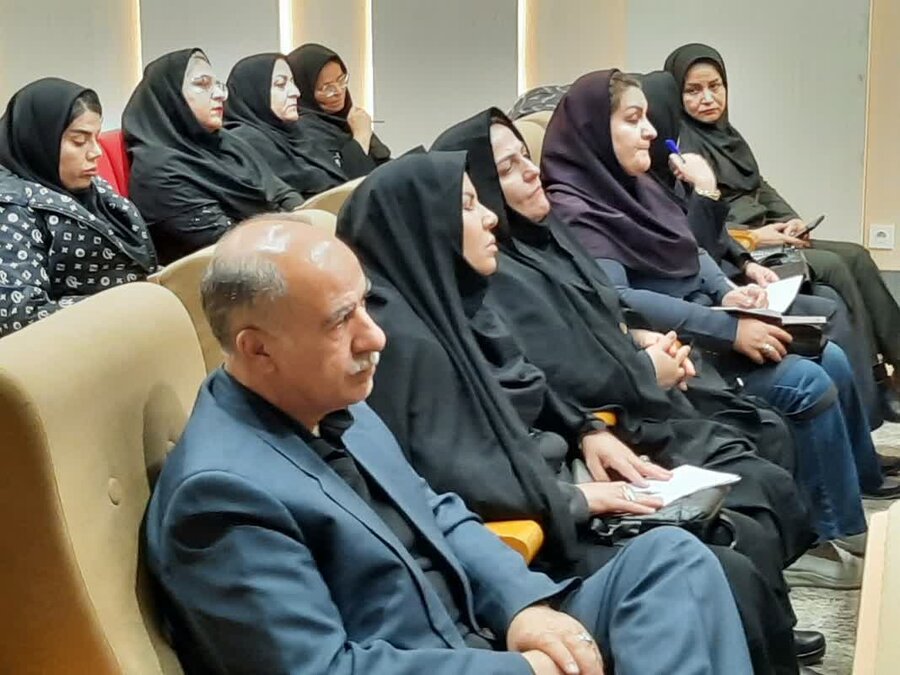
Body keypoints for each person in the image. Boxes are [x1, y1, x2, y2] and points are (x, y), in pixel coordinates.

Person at [144, 214, 755, 675]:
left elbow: (436, 510)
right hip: (447, 659)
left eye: (365, 305)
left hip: (479, 633)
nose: (375, 337)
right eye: (339, 321)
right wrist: (522, 670)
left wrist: (521, 607)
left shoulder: (330, 399)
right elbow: (325, 669)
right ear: (257, 349)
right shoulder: (220, 496)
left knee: (672, 559)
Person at [338, 152, 820, 672]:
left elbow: (539, 386)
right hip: (526, 540)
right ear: (423, 225)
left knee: (735, 520)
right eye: (469, 205)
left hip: (554, 487)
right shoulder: (403, 343)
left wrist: (585, 428)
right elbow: (450, 484)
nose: (491, 217)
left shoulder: (461, 306)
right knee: (723, 563)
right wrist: (578, 499)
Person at [540, 68, 900, 585]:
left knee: (834, 356)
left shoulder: (637, 185)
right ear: (595, 130)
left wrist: (727, 290)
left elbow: (691, 251)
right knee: (806, 381)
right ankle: (820, 540)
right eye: (633, 119)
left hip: (710, 321)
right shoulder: (575, 206)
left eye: (647, 118)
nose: (650, 131)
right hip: (680, 347)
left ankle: (843, 518)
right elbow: (621, 301)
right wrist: (728, 328)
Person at [663, 42, 900, 423]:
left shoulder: (728, 136)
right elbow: (697, 225)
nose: (707, 98)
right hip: (745, 249)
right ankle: (874, 382)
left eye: (715, 86)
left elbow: (759, 186)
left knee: (857, 254)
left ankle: (893, 370)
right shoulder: (682, 149)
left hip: (773, 238)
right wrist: (756, 237)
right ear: (676, 95)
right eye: (693, 90)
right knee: (835, 266)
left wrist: (792, 219)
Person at [0, 78, 156, 337]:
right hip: (78, 345)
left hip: (132, 325)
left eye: (96, 138)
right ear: (39, 141)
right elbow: (21, 315)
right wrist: (127, 305)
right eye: (79, 140)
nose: (96, 152)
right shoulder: (10, 207)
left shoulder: (85, 185)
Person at [123, 48, 304, 264]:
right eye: (202, 84)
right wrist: (295, 231)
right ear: (171, 97)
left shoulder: (225, 141)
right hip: (227, 270)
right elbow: (224, 241)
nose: (220, 95)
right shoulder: (159, 171)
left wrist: (304, 219)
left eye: (217, 85)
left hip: (272, 247)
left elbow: (280, 191)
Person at [225, 53, 352, 199]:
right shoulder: (245, 141)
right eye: (280, 85)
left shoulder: (296, 133)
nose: (295, 93)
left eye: (292, 82)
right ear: (253, 93)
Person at [285, 43, 390, 179]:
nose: (339, 91)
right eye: (327, 88)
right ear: (303, 91)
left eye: (341, 80)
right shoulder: (302, 134)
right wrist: (361, 136)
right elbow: (343, 181)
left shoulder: (349, 120)